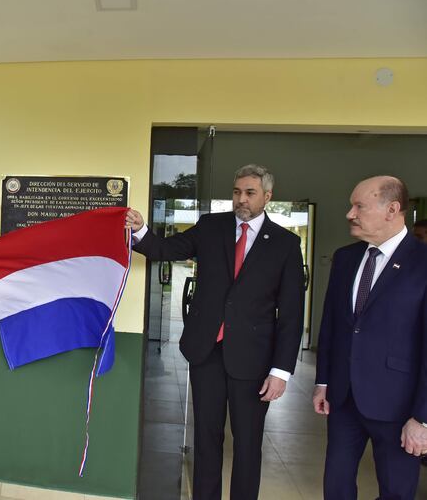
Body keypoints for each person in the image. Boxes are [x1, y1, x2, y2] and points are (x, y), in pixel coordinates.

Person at [126, 164, 305, 500]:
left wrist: (280, 371)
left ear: (267, 196)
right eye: (237, 192)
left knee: (248, 442)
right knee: (206, 438)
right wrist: (140, 230)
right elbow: (167, 249)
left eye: (250, 193)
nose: (241, 199)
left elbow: (292, 315)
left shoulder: (285, 244)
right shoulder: (211, 227)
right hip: (207, 352)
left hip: (253, 359)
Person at [313, 176, 427, 499]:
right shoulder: (346, 258)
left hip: (399, 407)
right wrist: (323, 380)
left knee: (395, 492)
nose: (350, 214)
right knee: (335, 487)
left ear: (392, 209)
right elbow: (332, 324)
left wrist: (423, 418)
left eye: (359, 206)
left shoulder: (423, 262)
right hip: (344, 398)